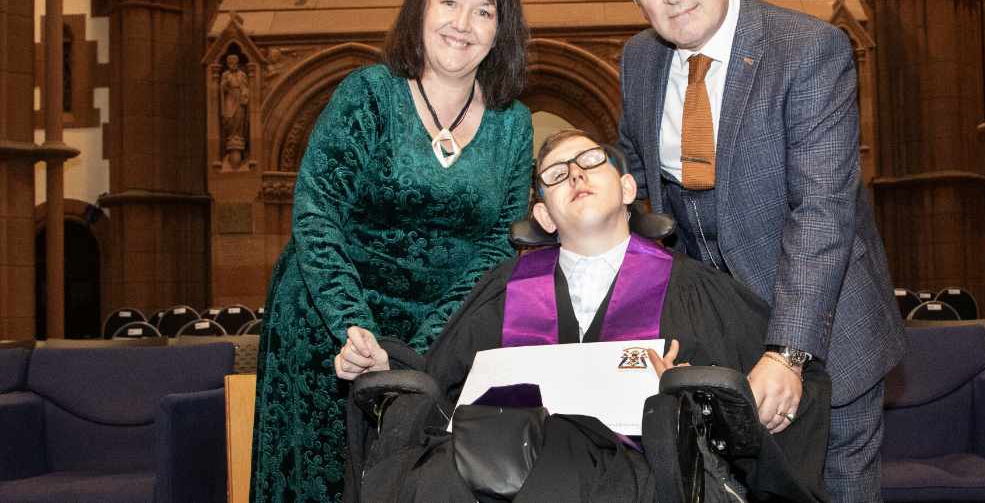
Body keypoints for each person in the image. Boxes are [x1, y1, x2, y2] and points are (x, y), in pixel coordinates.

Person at [335, 130, 828, 503]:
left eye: (591, 161)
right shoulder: (504, 291)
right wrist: (384, 363)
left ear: (628, 188)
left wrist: (690, 396)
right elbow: (441, 383)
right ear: (545, 216)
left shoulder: (697, 288)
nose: (574, 175)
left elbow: (771, 394)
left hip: (629, 473)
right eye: (555, 173)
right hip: (497, 463)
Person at [614, 0, 906, 500]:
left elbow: (822, 212)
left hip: (824, 335)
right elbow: (635, 171)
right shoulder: (640, 60)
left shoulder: (809, 50)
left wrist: (788, 354)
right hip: (719, 343)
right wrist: (575, 172)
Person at [250, 0, 536, 503]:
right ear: (420, 9)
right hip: (327, 323)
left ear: (501, 31)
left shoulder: (513, 123)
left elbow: (497, 248)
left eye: (483, 10)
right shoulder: (369, 94)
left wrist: (412, 351)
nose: (462, 23)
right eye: (449, 2)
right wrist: (354, 328)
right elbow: (317, 211)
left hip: (436, 335)